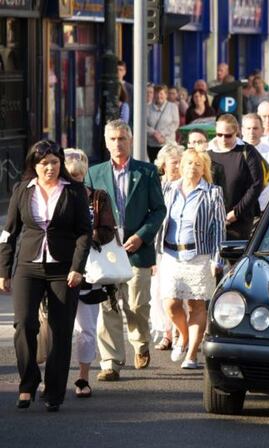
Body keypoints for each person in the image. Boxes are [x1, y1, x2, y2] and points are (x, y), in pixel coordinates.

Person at [0, 140, 92, 412]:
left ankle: (54, 391)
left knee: (60, 331)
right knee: (24, 324)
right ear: (34, 165)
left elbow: (85, 233)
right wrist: (4, 271)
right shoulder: (22, 190)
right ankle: (28, 384)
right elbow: (9, 233)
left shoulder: (74, 192)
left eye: (54, 162)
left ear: (60, 163)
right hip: (28, 267)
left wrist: (77, 267)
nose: (49, 168)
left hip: (63, 269)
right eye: (43, 163)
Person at [87, 120, 167, 382]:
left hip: (136, 250)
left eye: (122, 138)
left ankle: (140, 341)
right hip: (107, 251)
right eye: (112, 139)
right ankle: (110, 362)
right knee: (108, 306)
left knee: (136, 305)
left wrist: (141, 236)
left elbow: (159, 210)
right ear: (106, 141)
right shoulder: (94, 173)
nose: (117, 144)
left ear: (130, 141)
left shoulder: (146, 172)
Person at [158, 149, 226, 369]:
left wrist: (218, 259)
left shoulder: (212, 193)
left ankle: (192, 355)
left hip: (199, 256)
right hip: (170, 254)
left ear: (203, 168)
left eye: (197, 164)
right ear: (181, 166)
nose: (191, 168)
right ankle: (184, 335)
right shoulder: (169, 188)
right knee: (170, 303)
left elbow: (218, 228)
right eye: (188, 163)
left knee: (196, 305)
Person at [63, 148, 117, 399]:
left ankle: (83, 376)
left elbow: (107, 229)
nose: (75, 180)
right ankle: (54, 377)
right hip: (57, 270)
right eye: (70, 175)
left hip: (89, 271)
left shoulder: (98, 197)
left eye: (79, 175)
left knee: (86, 329)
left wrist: (84, 237)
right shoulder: (51, 196)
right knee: (57, 329)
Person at [151, 143, 185, 351]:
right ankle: (167, 332)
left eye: (181, 162)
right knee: (159, 292)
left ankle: (181, 332)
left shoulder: (186, 185)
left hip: (180, 248)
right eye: (174, 163)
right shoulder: (156, 185)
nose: (178, 166)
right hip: (159, 248)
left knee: (178, 292)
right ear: (163, 165)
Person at [208, 114, 264, 240]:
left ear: (236, 132)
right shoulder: (208, 153)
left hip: (241, 221)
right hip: (212, 219)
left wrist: (237, 212)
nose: (223, 139)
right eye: (219, 135)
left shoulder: (247, 151)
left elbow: (256, 184)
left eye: (228, 135)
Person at [146, 84, 180, 163]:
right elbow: (144, 125)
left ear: (166, 95)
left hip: (168, 143)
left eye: (161, 93)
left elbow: (175, 123)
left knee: (167, 164)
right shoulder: (147, 108)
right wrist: (154, 133)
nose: (158, 96)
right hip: (152, 144)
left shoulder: (173, 107)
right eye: (156, 93)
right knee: (154, 165)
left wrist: (161, 135)